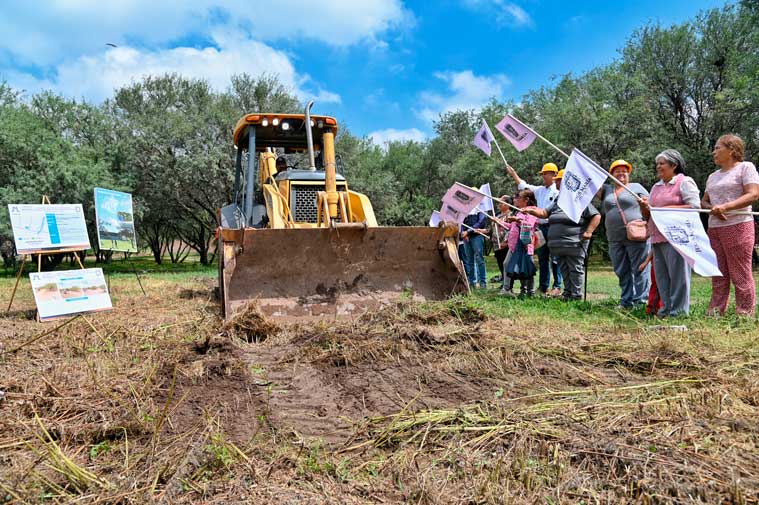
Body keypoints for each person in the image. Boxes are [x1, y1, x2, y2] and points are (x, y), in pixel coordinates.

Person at [701, 134, 759, 316]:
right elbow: (704, 202)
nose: (714, 152)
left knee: (740, 273)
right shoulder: (712, 176)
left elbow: (753, 194)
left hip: (739, 226)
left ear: (732, 150)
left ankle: (744, 314)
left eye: (718, 148)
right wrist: (712, 208)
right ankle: (715, 313)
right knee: (718, 273)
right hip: (715, 229)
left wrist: (726, 207)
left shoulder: (745, 168)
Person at [639, 149, 701, 317]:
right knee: (662, 277)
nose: (658, 166)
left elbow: (695, 206)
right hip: (657, 237)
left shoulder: (684, 182)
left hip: (678, 237)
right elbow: (649, 214)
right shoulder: (656, 186)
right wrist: (644, 208)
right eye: (657, 163)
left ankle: (679, 312)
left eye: (662, 163)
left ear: (674, 165)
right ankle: (665, 310)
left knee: (679, 277)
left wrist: (665, 209)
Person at [524, 170, 601, 301]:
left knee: (575, 268)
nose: (557, 183)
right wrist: (531, 210)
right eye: (557, 181)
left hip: (575, 242)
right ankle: (567, 293)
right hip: (558, 244)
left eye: (559, 181)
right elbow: (544, 213)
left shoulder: (579, 198)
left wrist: (589, 232)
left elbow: (596, 215)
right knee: (564, 268)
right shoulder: (558, 200)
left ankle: (576, 295)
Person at [599, 159, 651, 308]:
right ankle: (626, 300)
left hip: (636, 235)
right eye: (617, 171)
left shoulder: (636, 187)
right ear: (611, 174)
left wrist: (645, 205)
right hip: (614, 237)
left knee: (639, 268)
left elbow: (650, 205)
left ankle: (641, 301)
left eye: (624, 171)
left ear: (629, 174)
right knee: (621, 269)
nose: (621, 174)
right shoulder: (607, 190)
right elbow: (589, 185)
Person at [505, 163, 562, 295]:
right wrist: (513, 174)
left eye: (545, 174)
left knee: (555, 258)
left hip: (553, 226)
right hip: (540, 228)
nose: (543, 177)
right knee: (542, 258)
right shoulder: (540, 190)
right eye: (542, 174)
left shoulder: (559, 192)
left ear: (554, 175)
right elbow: (523, 185)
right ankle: (543, 286)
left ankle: (557, 286)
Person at [502, 189, 538, 297]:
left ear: (526, 200)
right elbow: (512, 226)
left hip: (525, 245)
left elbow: (529, 225)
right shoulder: (519, 211)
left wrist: (517, 220)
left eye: (518, 198)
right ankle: (507, 289)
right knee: (507, 264)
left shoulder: (532, 211)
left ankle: (529, 291)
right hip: (514, 245)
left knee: (527, 267)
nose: (515, 200)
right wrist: (499, 222)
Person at [461, 208, 489, 289]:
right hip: (466, 238)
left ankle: (483, 282)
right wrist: (463, 233)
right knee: (469, 261)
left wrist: (468, 231)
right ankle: (472, 282)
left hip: (476, 237)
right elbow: (461, 221)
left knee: (479, 259)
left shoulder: (480, 208)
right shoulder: (465, 208)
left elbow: (481, 222)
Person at [491, 195, 513, 289]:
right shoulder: (497, 215)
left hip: (505, 244)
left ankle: (509, 284)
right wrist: (482, 230)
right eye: (499, 202)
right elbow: (491, 230)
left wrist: (506, 241)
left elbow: (510, 229)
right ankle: (504, 282)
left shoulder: (511, 215)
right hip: (497, 244)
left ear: (508, 204)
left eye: (502, 202)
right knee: (500, 263)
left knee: (506, 263)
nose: (499, 204)